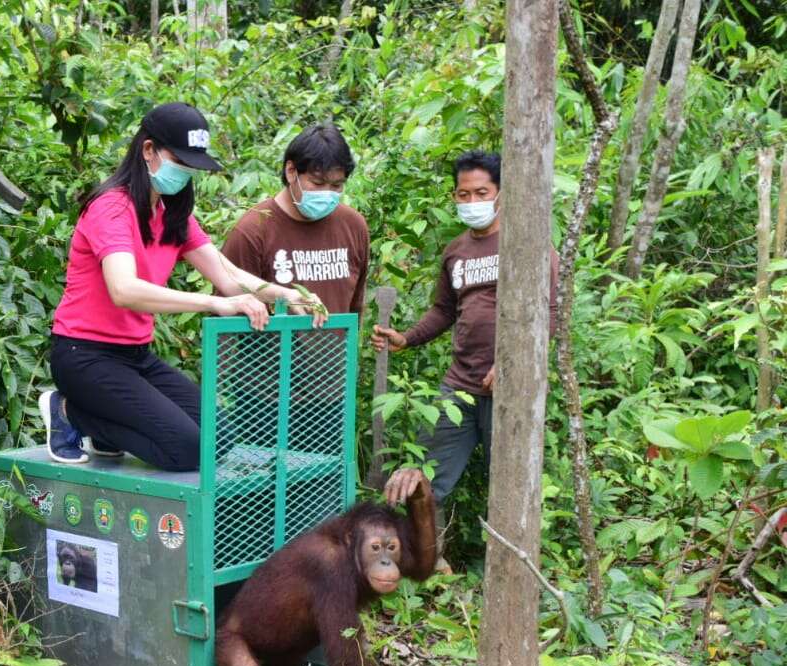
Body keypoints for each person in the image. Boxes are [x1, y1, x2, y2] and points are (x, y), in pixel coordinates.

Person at [42, 102, 326, 471]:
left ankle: (107, 431)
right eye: (181, 162)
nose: (186, 173)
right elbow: (124, 290)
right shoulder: (111, 208)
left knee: (220, 436)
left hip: (134, 356)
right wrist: (212, 304)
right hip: (85, 356)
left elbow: (228, 275)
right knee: (188, 449)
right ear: (148, 150)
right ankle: (69, 412)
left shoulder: (172, 213)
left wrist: (284, 293)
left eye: (192, 166)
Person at [371, 150, 556, 507]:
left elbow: (550, 312)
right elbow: (444, 310)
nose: (472, 201)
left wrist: (513, 365)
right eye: (463, 194)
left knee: (511, 486)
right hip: (459, 387)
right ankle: (428, 557)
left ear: (502, 194)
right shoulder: (456, 251)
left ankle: (507, 560)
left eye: (482, 193)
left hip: (510, 389)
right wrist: (407, 338)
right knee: (423, 481)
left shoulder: (528, 245)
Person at [221, 123, 369, 316]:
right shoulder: (253, 229)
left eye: (336, 185)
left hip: (338, 346)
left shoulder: (353, 225)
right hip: (272, 346)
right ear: (291, 171)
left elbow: (355, 305)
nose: (326, 193)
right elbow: (228, 312)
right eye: (317, 183)